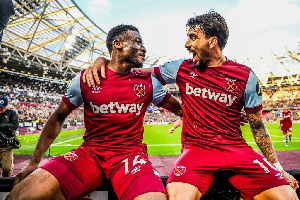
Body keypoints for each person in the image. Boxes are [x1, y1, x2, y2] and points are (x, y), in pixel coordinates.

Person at [83, 10, 299, 200]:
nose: (187, 44)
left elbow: (258, 126)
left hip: (237, 150)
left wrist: (278, 167)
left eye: (193, 38)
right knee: (177, 197)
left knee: (288, 197)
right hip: (197, 151)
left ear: (212, 41)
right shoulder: (182, 68)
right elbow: (134, 71)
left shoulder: (246, 76)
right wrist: (103, 59)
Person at [7, 24, 182, 200]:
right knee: (20, 196)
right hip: (90, 154)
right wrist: (34, 161)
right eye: (137, 42)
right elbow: (58, 117)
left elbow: (181, 109)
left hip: (130, 156)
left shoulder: (149, 82)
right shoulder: (86, 78)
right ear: (118, 44)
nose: (143, 48)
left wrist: (184, 117)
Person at [0, 97, 19, 177]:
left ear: (6, 106)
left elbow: (14, 125)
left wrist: (2, 126)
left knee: (7, 168)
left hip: (6, 145)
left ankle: (5, 182)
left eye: (2, 107)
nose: (0, 109)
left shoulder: (11, 113)